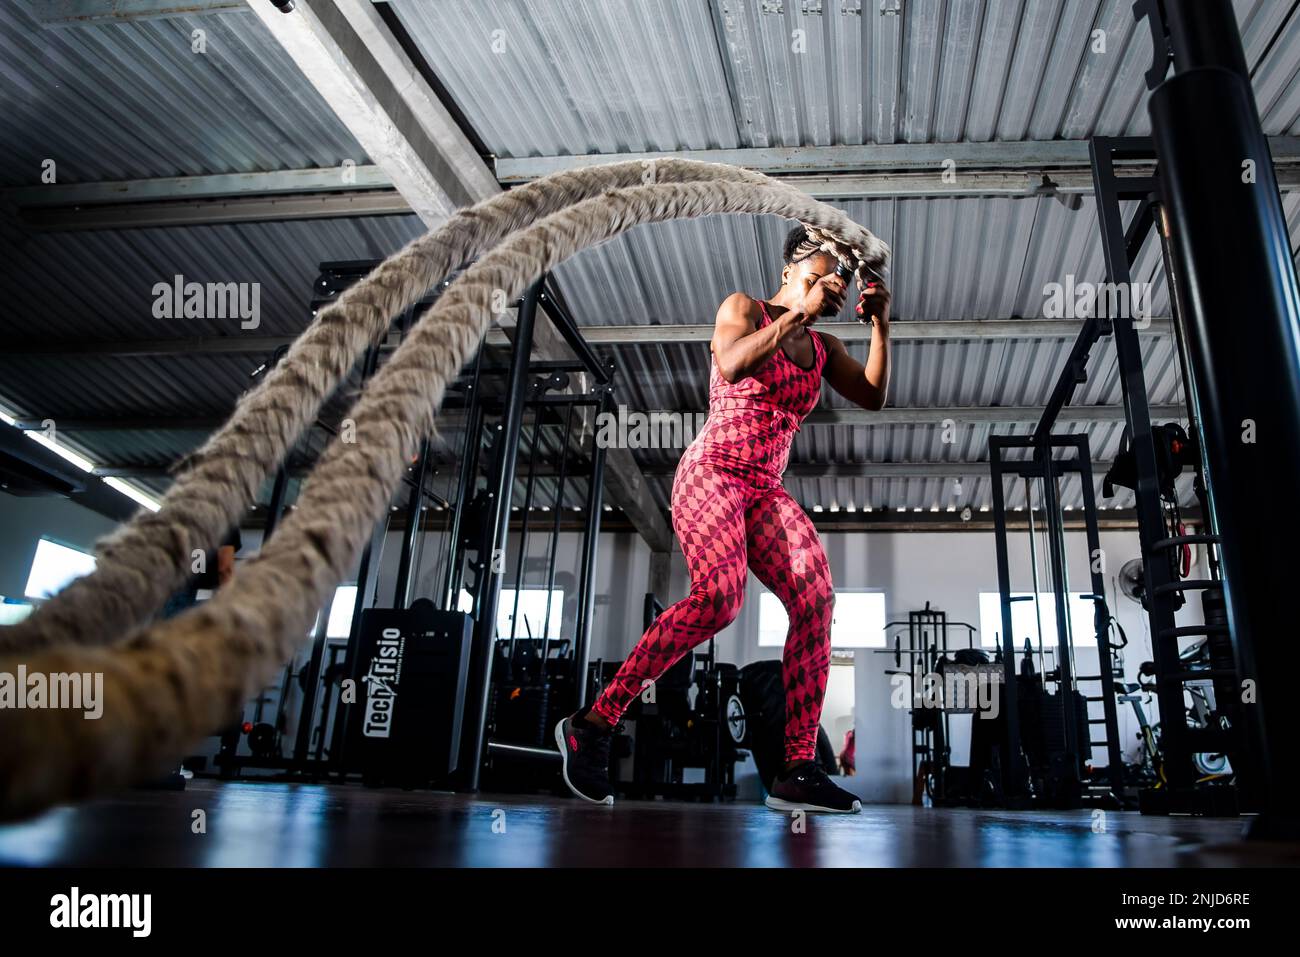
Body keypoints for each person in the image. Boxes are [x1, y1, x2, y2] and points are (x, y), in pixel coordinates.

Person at [557, 225, 892, 812]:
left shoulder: (823, 348)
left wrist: (879, 322)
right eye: (810, 279)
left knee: (817, 600)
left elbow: (872, 396)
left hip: (764, 488)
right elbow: (733, 364)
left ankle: (795, 767)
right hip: (712, 470)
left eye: (827, 287)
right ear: (787, 274)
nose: (819, 291)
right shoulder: (744, 308)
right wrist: (800, 313)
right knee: (720, 598)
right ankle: (595, 721)